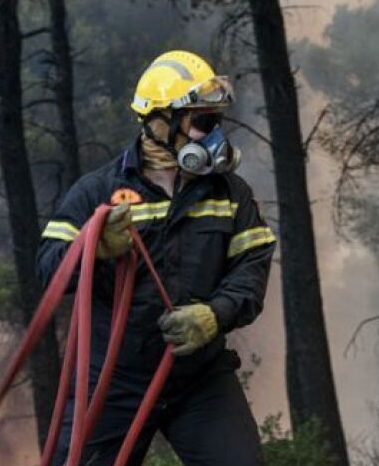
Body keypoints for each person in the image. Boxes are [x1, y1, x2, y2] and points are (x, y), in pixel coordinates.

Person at [36, 50, 276, 465]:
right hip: (114, 381)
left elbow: (251, 269)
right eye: (203, 122)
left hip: (199, 380)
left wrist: (214, 315)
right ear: (160, 121)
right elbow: (47, 268)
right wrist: (96, 250)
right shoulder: (97, 192)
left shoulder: (229, 194)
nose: (215, 134)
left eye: (216, 121)